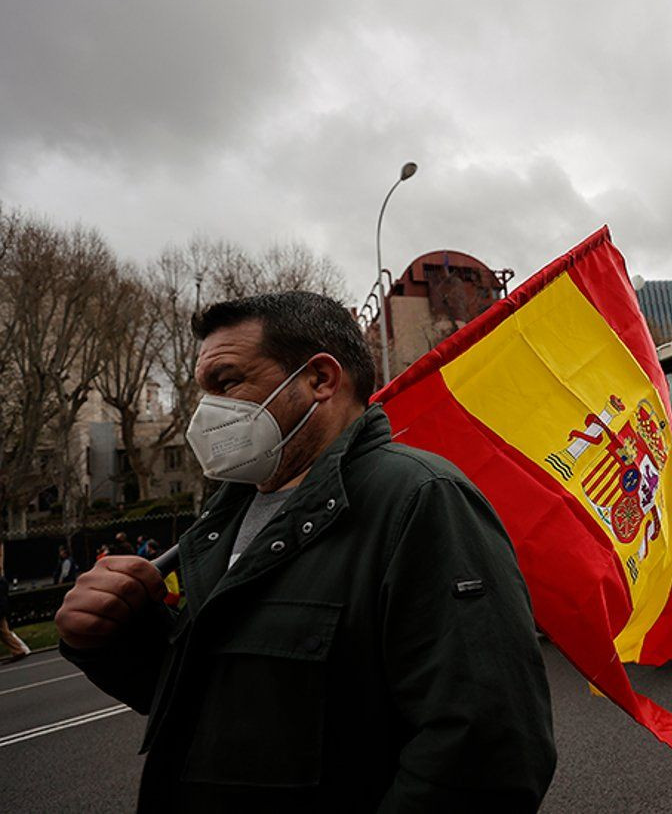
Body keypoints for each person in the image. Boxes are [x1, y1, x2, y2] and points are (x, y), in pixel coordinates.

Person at [55, 292, 556, 811]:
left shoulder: (419, 499)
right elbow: (220, 707)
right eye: (203, 391)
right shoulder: (223, 520)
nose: (207, 413)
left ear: (320, 379)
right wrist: (108, 638)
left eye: (227, 383)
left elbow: (486, 749)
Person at [0, 550, 31, 662]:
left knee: (4, 631)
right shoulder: (2, 581)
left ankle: (18, 649)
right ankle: (18, 649)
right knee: (4, 630)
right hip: (2, 606)